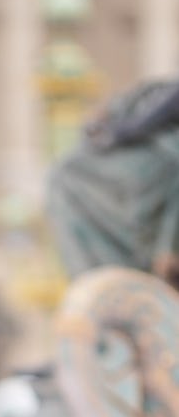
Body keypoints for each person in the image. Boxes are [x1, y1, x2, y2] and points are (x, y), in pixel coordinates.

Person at [48, 78, 179, 285]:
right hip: (150, 151)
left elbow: (151, 119)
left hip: (159, 158)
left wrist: (114, 133)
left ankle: (110, 267)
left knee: (67, 175)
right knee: (66, 174)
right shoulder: (152, 94)